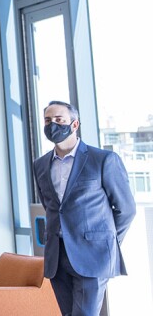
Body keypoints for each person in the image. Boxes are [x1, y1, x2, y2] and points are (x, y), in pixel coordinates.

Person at [32, 100, 134, 316]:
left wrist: (107, 243)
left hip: (93, 255)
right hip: (57, 257)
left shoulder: (103, 160)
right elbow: (51, 206)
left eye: (59, 120)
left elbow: (126, 209)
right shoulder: (40, 165)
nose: (53, 125)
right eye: (48, 120)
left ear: (75, 124)